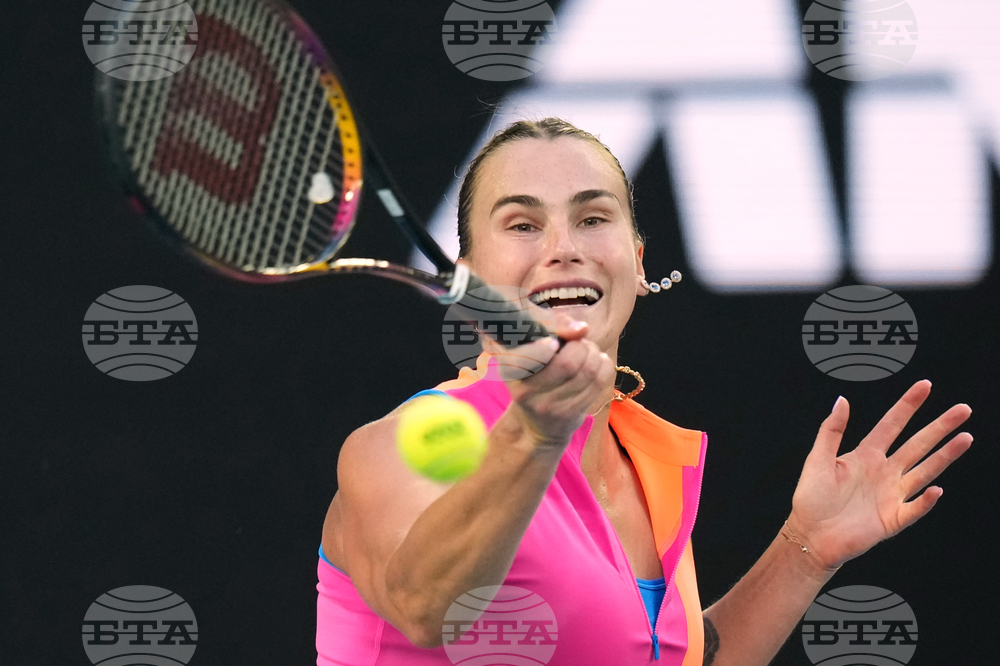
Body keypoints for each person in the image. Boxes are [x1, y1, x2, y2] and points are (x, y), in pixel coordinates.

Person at [315, 118, 973, 665]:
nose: (562, 248)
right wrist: (532, 436)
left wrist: (805, 548)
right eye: (522, 225)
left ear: (637, 260)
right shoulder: (409, 445)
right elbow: (424, 607)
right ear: (471, 278)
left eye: (593, 218)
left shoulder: (644, 459)